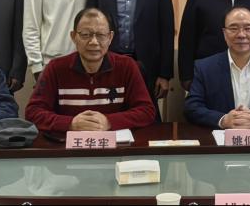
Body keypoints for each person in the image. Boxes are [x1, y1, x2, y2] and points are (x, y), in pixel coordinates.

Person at [25, 8, 156, 134]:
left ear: (110, 37)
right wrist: (70, 123)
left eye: (101, 35)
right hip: (67, 146)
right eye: (85, 35)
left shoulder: (127, 66)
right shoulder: (55, 68)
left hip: (115, 145)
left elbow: (147, 111)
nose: (93, 42)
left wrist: (109, 121)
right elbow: (33, 112)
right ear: (73, 36)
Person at [85, 0, 175, 113]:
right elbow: (88, 27)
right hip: (106, 63)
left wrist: (164, 75)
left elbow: (167, 31)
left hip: (146, 65)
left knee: (147, 115)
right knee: (109, 114)